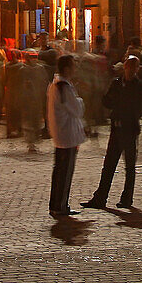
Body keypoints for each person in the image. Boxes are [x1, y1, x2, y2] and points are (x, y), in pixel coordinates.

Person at [81, 55, 142, 209]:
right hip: (116, 127)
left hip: (129, 129)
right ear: (125, 68)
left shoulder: (138, 85)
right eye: (129, 67)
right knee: (109, 165)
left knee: (129, 166)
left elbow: (135, 106)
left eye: (134, 68)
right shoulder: (116, 83)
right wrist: (117, 102)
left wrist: (119, 103)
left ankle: (127, 198)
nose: (131, 71)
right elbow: (106, 101)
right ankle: (100, 197)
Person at [47, 54, 85, 217]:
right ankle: (60, 205)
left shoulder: (56, 85)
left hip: (61, 134)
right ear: (67, 68)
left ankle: (57, 203)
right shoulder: (64, 87)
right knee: (64, 172)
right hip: (66, 135)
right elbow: (77, 109)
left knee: (59, 171)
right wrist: (80, 100)